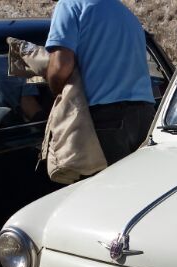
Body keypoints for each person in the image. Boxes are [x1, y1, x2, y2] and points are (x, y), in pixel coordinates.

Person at [45, 0, 155, 165]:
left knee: (108, 187)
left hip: (106, 118)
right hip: (145, 115)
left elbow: (61, 66)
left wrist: (53, 92)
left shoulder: (70, 5)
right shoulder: (125, 13)